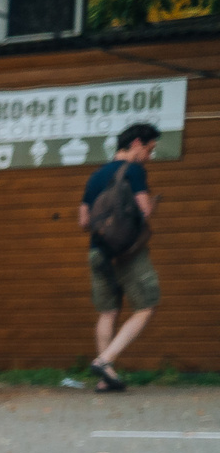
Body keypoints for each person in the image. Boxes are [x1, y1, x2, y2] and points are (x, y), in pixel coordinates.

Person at [79, 122, 158, 393]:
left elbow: (83, 221)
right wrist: (149, 206)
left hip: (98, 251)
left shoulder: (95, 177)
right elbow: (145, 210)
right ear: (136, 144)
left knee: (108, 312)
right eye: (149, 149)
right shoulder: (134, 170)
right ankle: (105, 360)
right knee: (146, 306)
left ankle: (105, 379)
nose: (149, 157)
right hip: (127, 252)